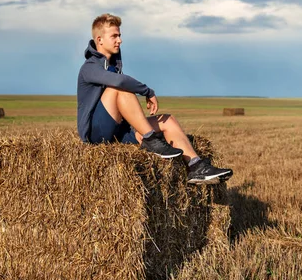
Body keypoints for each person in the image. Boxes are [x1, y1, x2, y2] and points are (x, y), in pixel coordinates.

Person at [77, 13, 233, 185]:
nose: (119, 40)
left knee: (167, 120)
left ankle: (196, 167)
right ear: (99, 40)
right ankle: (150, 140)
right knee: (120, 88)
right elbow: (120, 82)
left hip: (119, 132)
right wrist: (147, 91)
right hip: (97, 134)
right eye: (114, 36)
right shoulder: (89, 68)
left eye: (120, 35)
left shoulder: (113, 67)